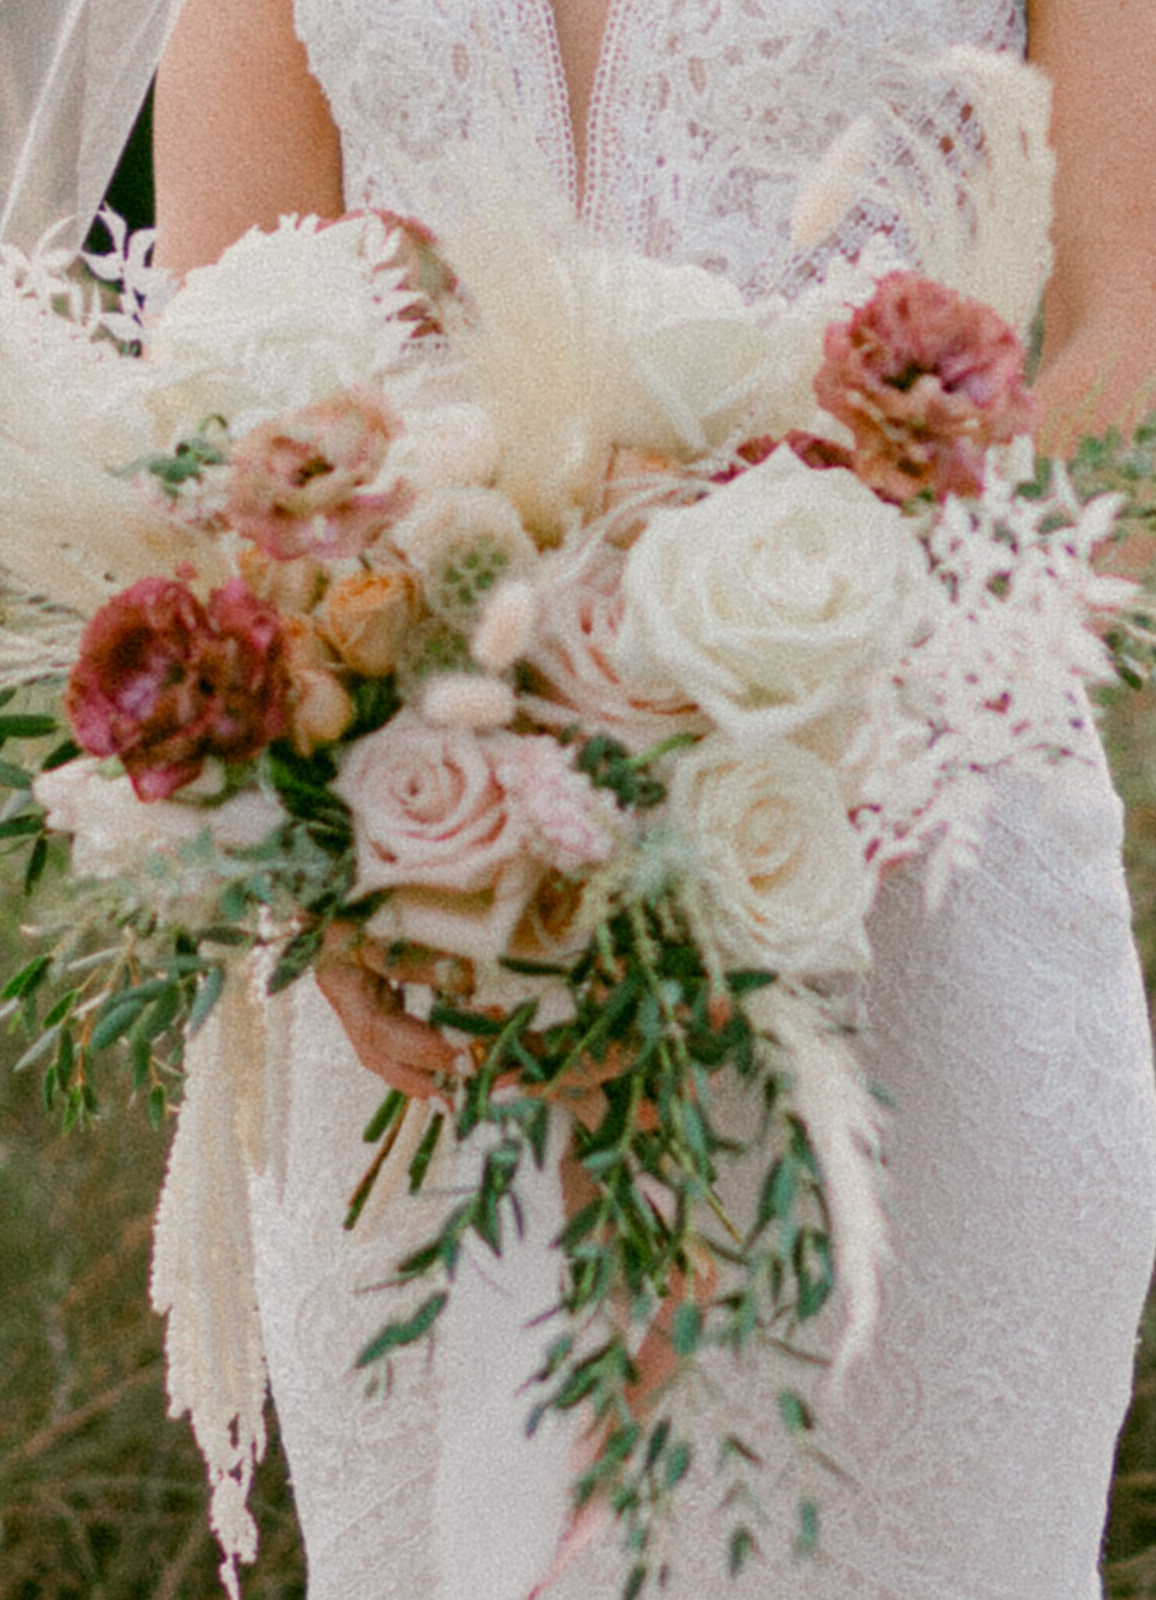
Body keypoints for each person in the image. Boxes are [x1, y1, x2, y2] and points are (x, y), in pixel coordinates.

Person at [143, 2, 1156, 1597]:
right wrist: (304, 838)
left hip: (917, 911)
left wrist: (818, 725)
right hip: (430, 951)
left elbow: (1134, 351)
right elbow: (206, 424)